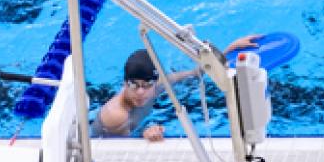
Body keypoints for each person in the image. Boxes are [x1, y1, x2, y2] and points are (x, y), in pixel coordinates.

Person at [91, 35, 261, 141]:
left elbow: (197, 73)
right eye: (134, 85)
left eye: (146, 85)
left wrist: (230, 50)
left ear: (155, 82)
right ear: (124, 84)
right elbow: (120, 154)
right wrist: (144, 134)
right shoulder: (116, 116)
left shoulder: (160, 85)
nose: (141, 92)